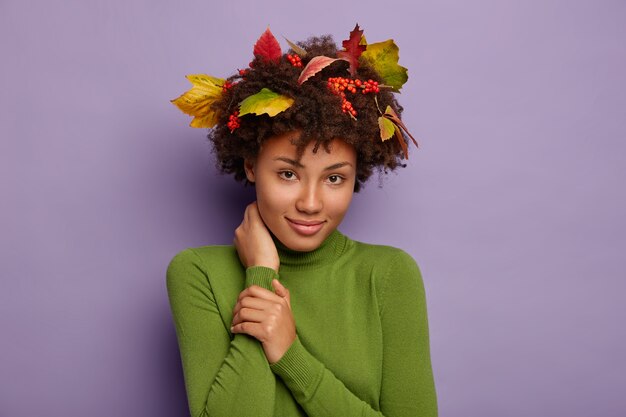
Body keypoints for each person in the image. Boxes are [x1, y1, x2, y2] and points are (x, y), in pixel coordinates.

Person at [167, 25, 438, 417]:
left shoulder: (390, 275)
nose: (311, 203)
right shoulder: (198, 273)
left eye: (334, 178)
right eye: (288, 174)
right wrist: (260, 274)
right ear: (250, 165)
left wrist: (289, 354)